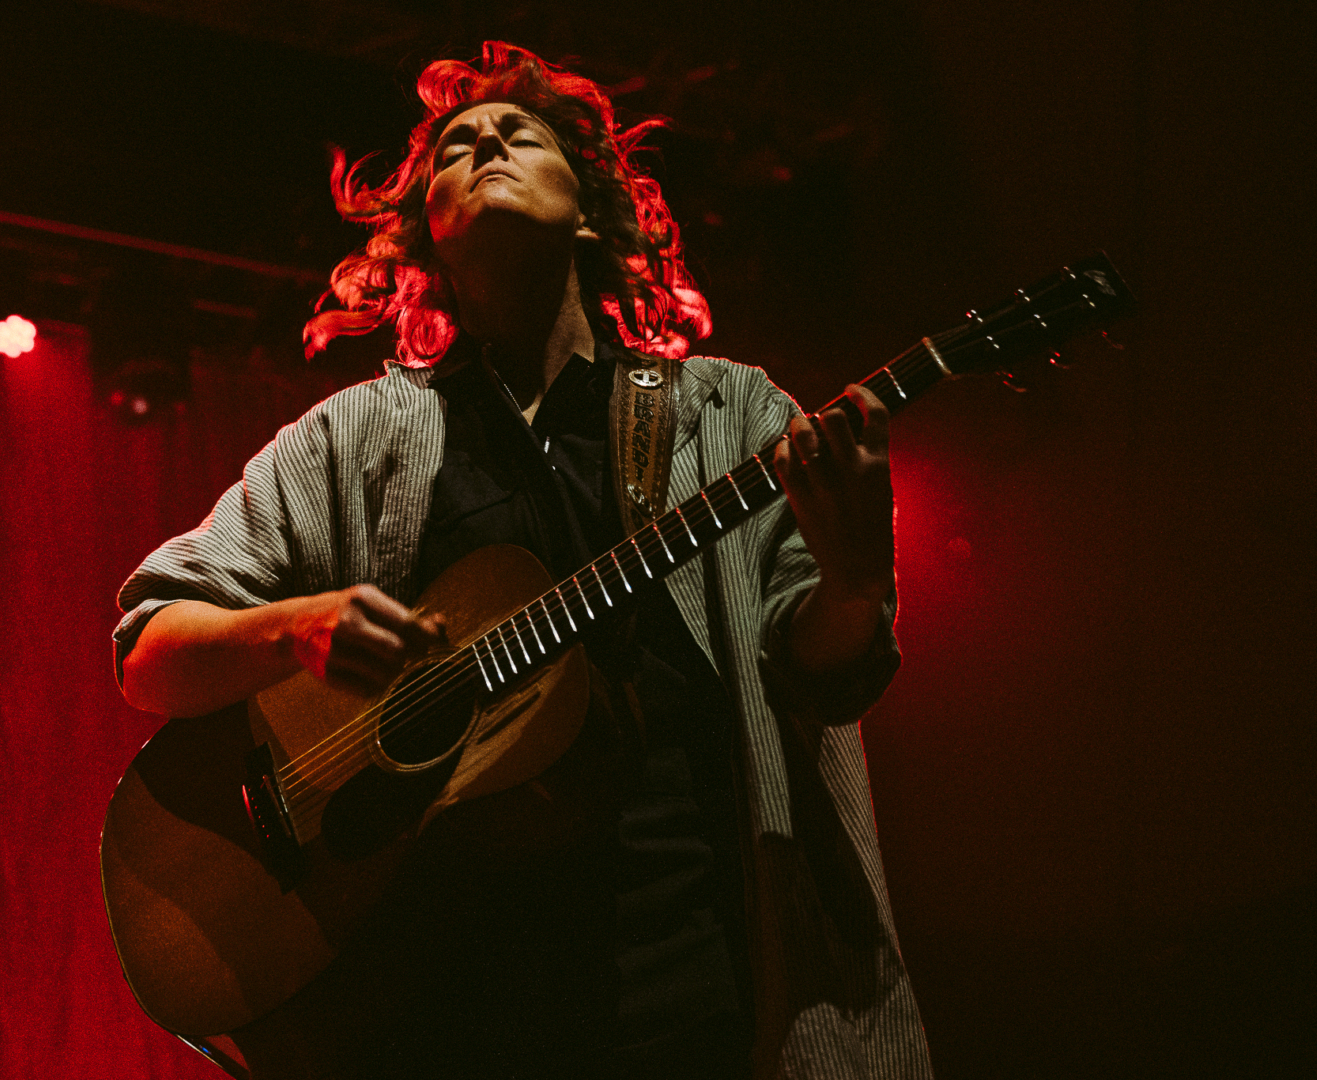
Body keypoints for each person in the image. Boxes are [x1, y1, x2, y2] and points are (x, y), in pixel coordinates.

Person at [115, 42, 933, 1080]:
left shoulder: (731, 421)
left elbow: (821, 673)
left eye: (519, 133)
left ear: (590, 212)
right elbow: (150, 649)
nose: (487, 143)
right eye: (457, 148)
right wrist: (294, 626)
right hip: (424, 1013)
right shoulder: (351, 443)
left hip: (691, 992)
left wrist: (856, 582)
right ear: (428, 241)